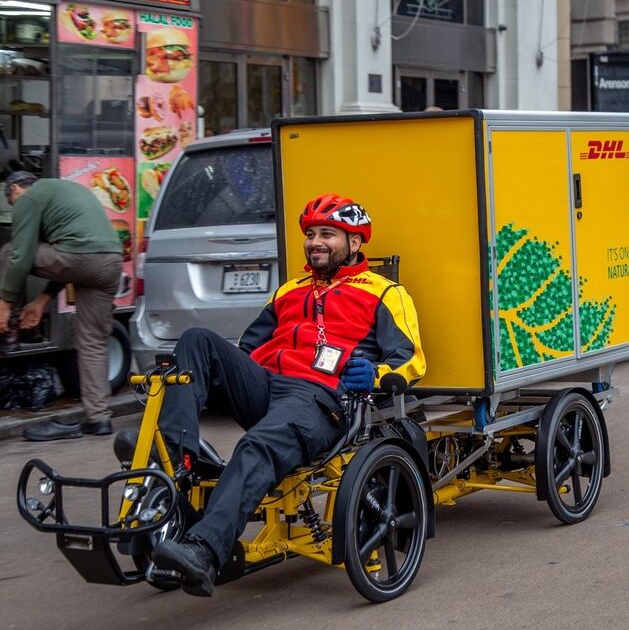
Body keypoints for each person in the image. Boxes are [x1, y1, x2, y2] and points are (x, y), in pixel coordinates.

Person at [145, 193, 425, 597]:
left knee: (258, 445)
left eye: (328, 234)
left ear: (355, 242)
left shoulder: (385, 293)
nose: (315, 242)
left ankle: (204, 552)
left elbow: (412, 360)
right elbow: (244, 350)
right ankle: (177, 460)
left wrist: (376, 374)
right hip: (267, 386)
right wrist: (208, 374)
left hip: (322, 399)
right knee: (196, 340)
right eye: (311, 234)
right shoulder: (288, 291)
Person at [4, 172, 124, 441]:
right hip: (110, 262)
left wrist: (4, 302)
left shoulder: (29, 198)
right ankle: (99, 418)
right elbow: (73, 259)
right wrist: (40, 301)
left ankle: (8, 328)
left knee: (7, 252)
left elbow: (21, 257)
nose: (16, 208)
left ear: (15, 189)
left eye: (12, 202)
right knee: (93, 343)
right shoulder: (64, 189)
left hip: (79, 258)